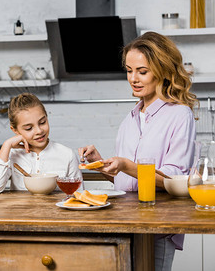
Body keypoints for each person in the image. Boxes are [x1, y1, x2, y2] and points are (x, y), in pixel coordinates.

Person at [79, 31, 198, 271]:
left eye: (142, 72)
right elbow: (125, 179)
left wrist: (124, 164)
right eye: (129, 70)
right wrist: (102, 164)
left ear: (163, 71)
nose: (133, 78)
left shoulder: (179, 115)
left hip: (158, 225)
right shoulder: (131, 118)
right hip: (124, 221)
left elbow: (171, 180)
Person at [0, 93, 80, 193]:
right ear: (15, 130)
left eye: (42, 122)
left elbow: (80, 195)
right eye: (29, 128)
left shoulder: (67, 155)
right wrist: (7, 144)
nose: (39, 131)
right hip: (20, 209)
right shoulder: (11, 155)